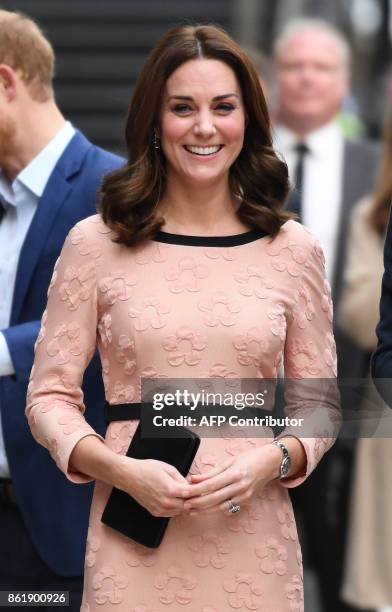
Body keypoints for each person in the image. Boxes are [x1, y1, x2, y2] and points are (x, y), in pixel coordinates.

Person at [26, 24, 340, 611]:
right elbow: (48, 397)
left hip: (254, 535)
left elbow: (318, 407)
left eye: (223, 107)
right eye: (182, 108)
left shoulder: (295, 249)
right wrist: (120, 470)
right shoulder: (95, 243)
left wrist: (269, 461)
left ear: (248, 121)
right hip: (133, 538)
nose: (204, 127)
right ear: (154, 119)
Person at [0, 9, 123, 610]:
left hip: (59, 522)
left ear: (5, 83)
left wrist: (7, 350)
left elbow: (132, 330)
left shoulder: (117, 189)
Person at [273, 17, 380, 612]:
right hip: (253, 393)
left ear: (343, 79)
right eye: (296, 66)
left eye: (323, 67)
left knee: (346, 553)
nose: (308, 78)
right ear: (276, 78)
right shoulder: (243, 161)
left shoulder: (378, 167)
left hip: (357, 385)